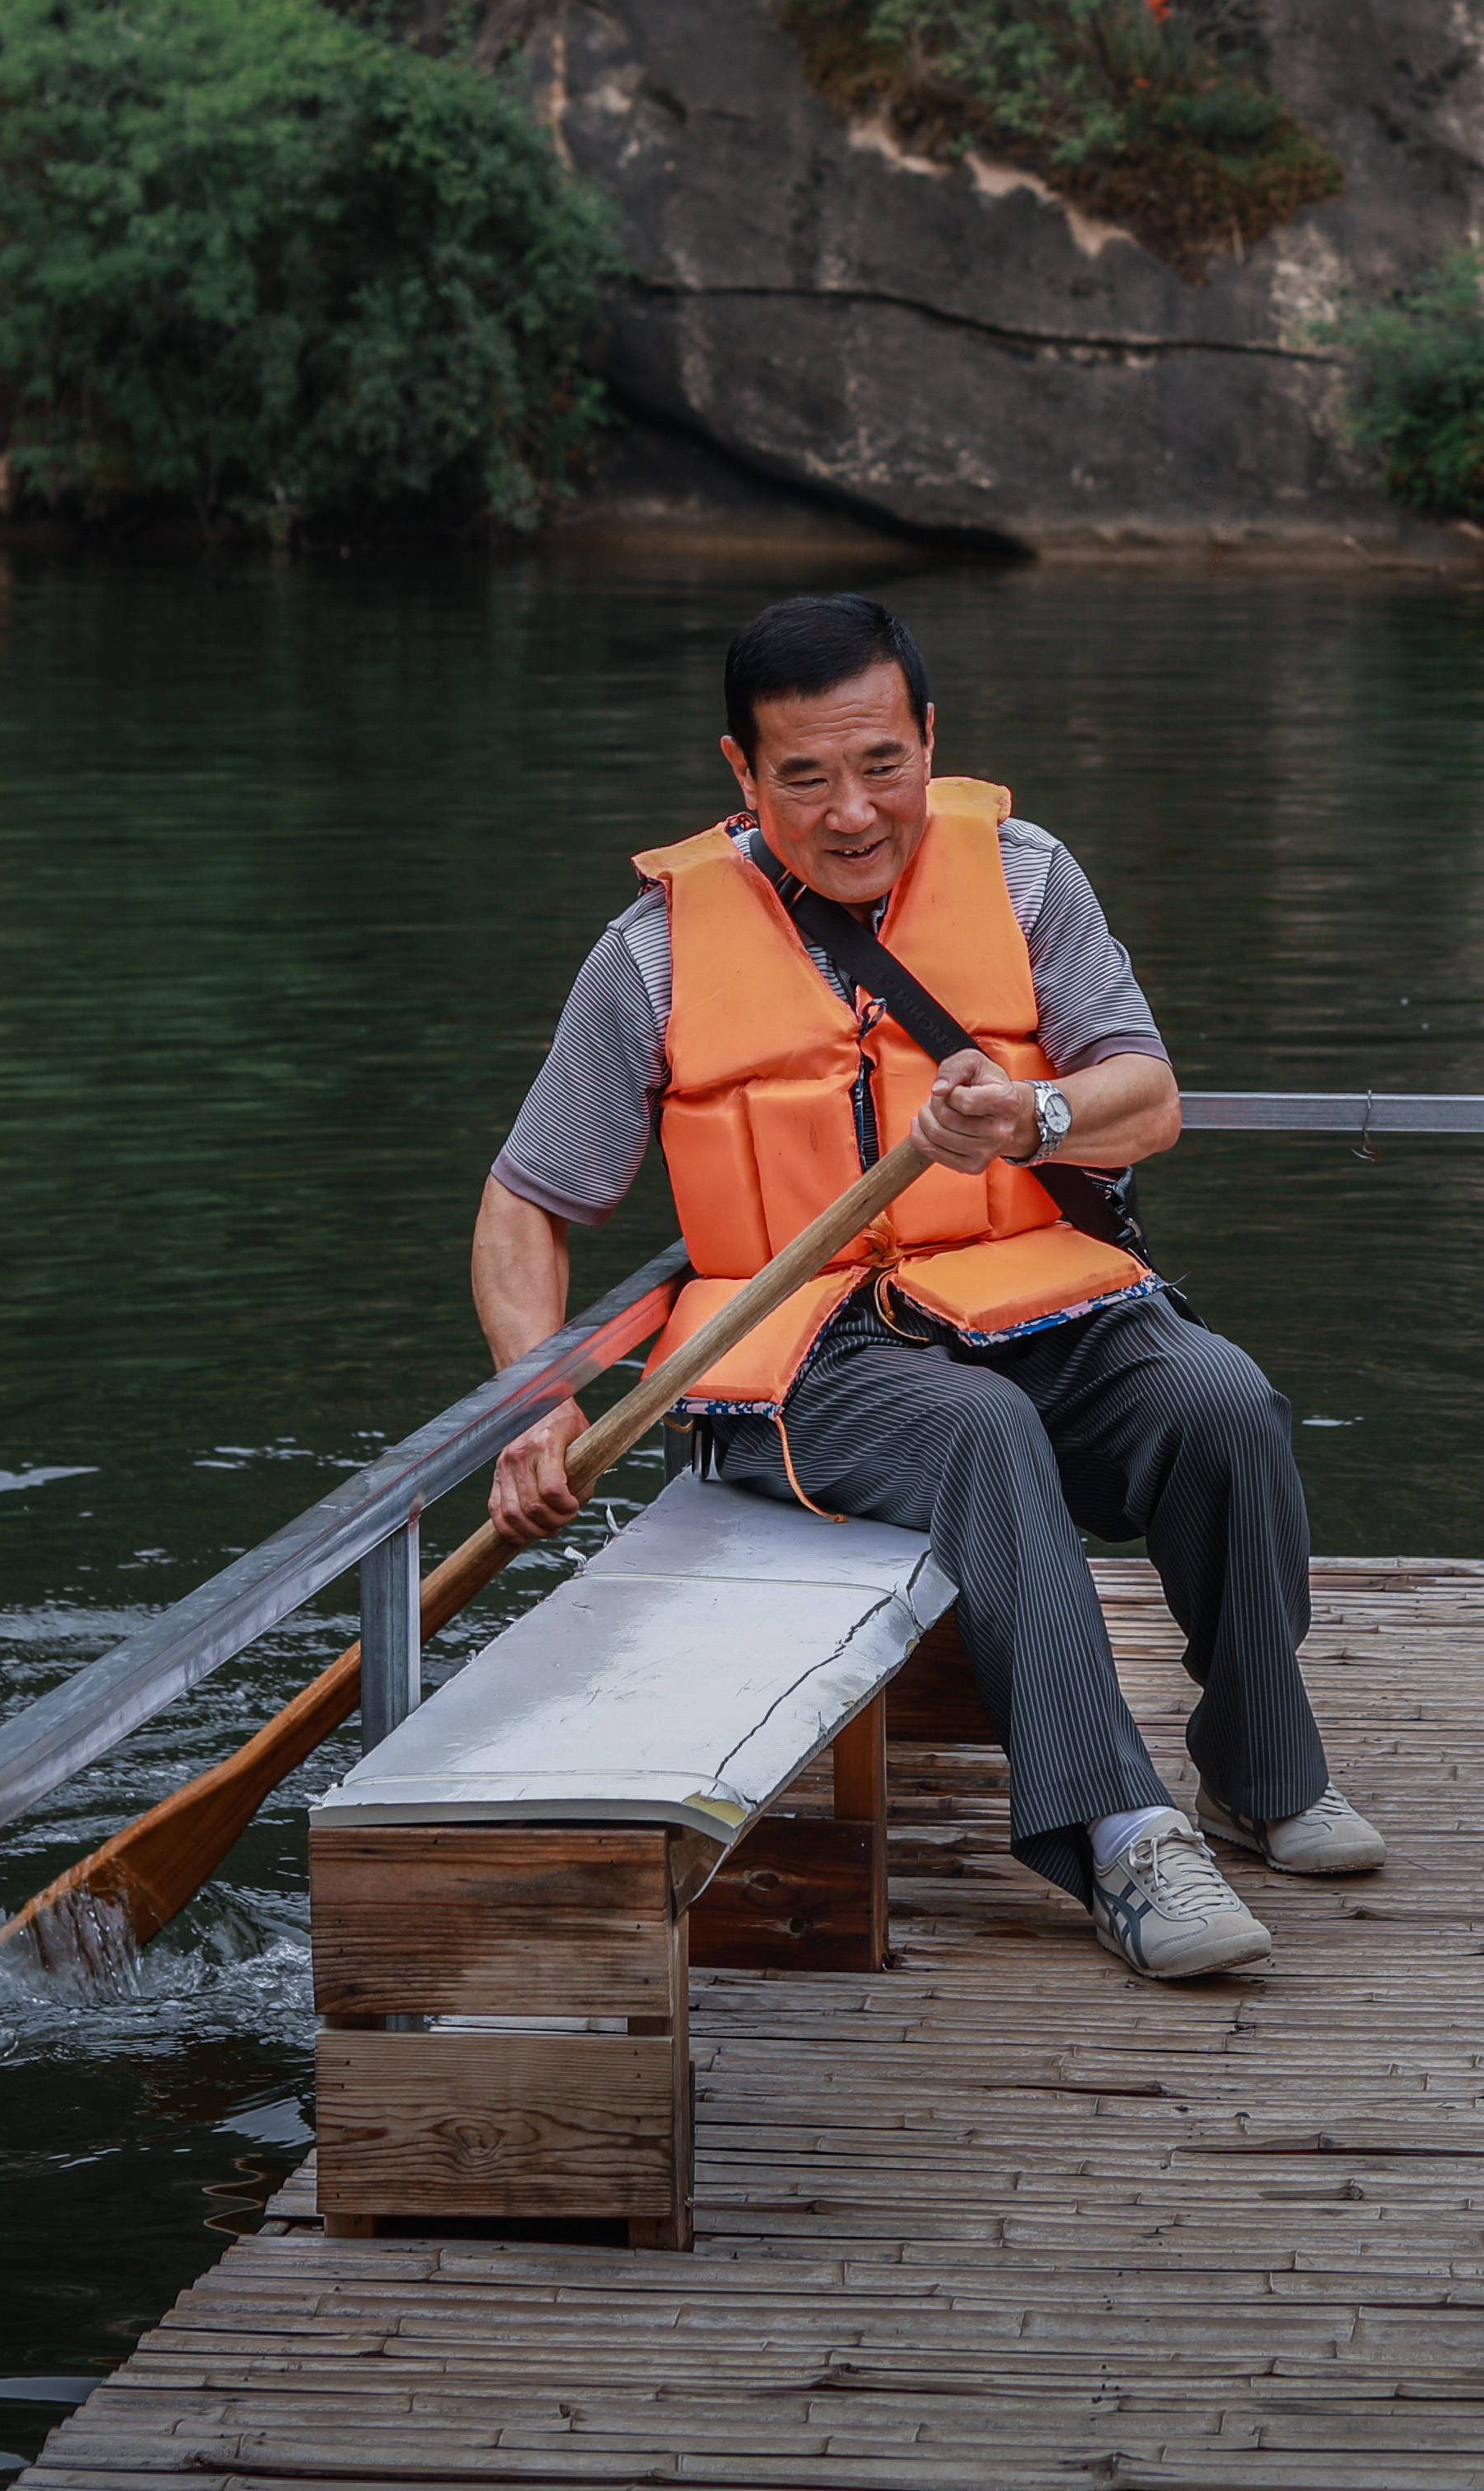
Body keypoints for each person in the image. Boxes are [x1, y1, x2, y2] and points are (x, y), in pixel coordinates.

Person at [469, 592, 1380, 1987]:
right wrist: (536, 1401)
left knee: (1223, 1401)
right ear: (741, 772)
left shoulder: (1024, 875)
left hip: (1037, 1308)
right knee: (980, 1434)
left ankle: (1258, 1770)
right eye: (806, 777)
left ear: (930, 738)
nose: (851, 811)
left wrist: (1029, 1117)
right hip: (815, 1364)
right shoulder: (648, 954)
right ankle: (1119, 1837)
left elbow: (1145, 1098)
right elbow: (528, 1200)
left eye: (882, 764)